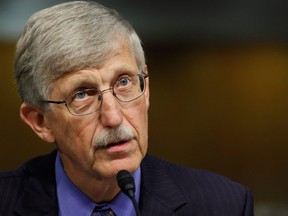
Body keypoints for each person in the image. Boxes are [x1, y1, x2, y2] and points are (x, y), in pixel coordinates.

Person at [0, 1, 254, 215]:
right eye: (82, 94)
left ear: (146, 90)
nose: (113, 117)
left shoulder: (224, 205)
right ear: (40, 121)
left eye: (123, 82)